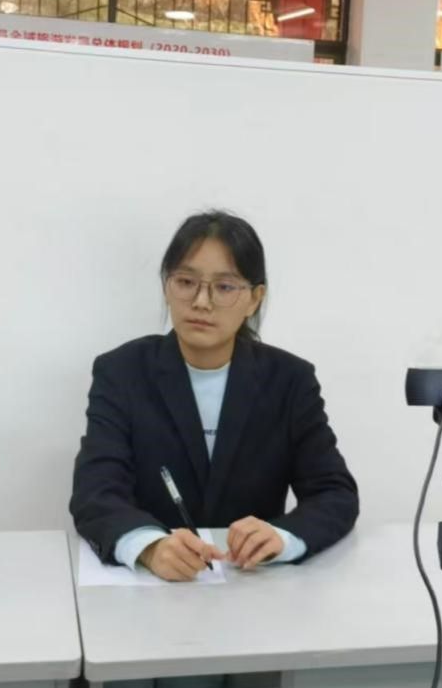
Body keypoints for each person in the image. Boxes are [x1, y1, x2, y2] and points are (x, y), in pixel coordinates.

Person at [70, 209, 359, 581]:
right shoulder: (122, 372)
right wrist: (148, 546)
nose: (201, 302)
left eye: (224, 287)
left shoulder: (290, 380)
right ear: (167, 287)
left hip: (255, 585)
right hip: (151, 587)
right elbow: (95, 491)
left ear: (254, 299)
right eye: (186, 282)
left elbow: (334, 493)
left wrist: (283, 538)